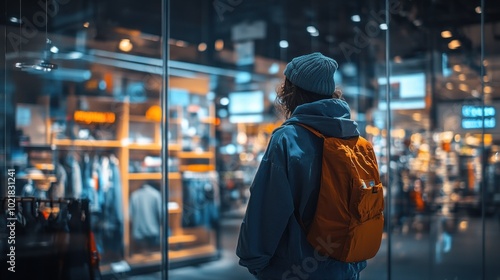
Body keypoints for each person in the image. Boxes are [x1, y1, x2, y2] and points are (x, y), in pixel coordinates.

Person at [236, 52, 368, 280]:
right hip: (346, 266)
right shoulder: (352, 137)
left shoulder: (287, 139)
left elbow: (267, 208)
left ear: (291, 92)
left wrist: (254, 261)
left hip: (296, 270)